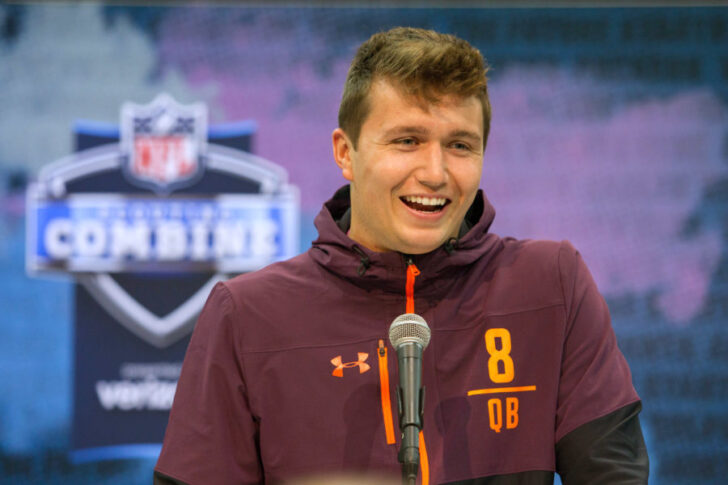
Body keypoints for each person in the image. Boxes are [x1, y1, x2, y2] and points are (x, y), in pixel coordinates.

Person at [154, 27, 649, 484]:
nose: (435, 172)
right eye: (407, 141)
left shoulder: (551, 285)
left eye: (459, 145)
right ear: (345, 153)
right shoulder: (247, 316)